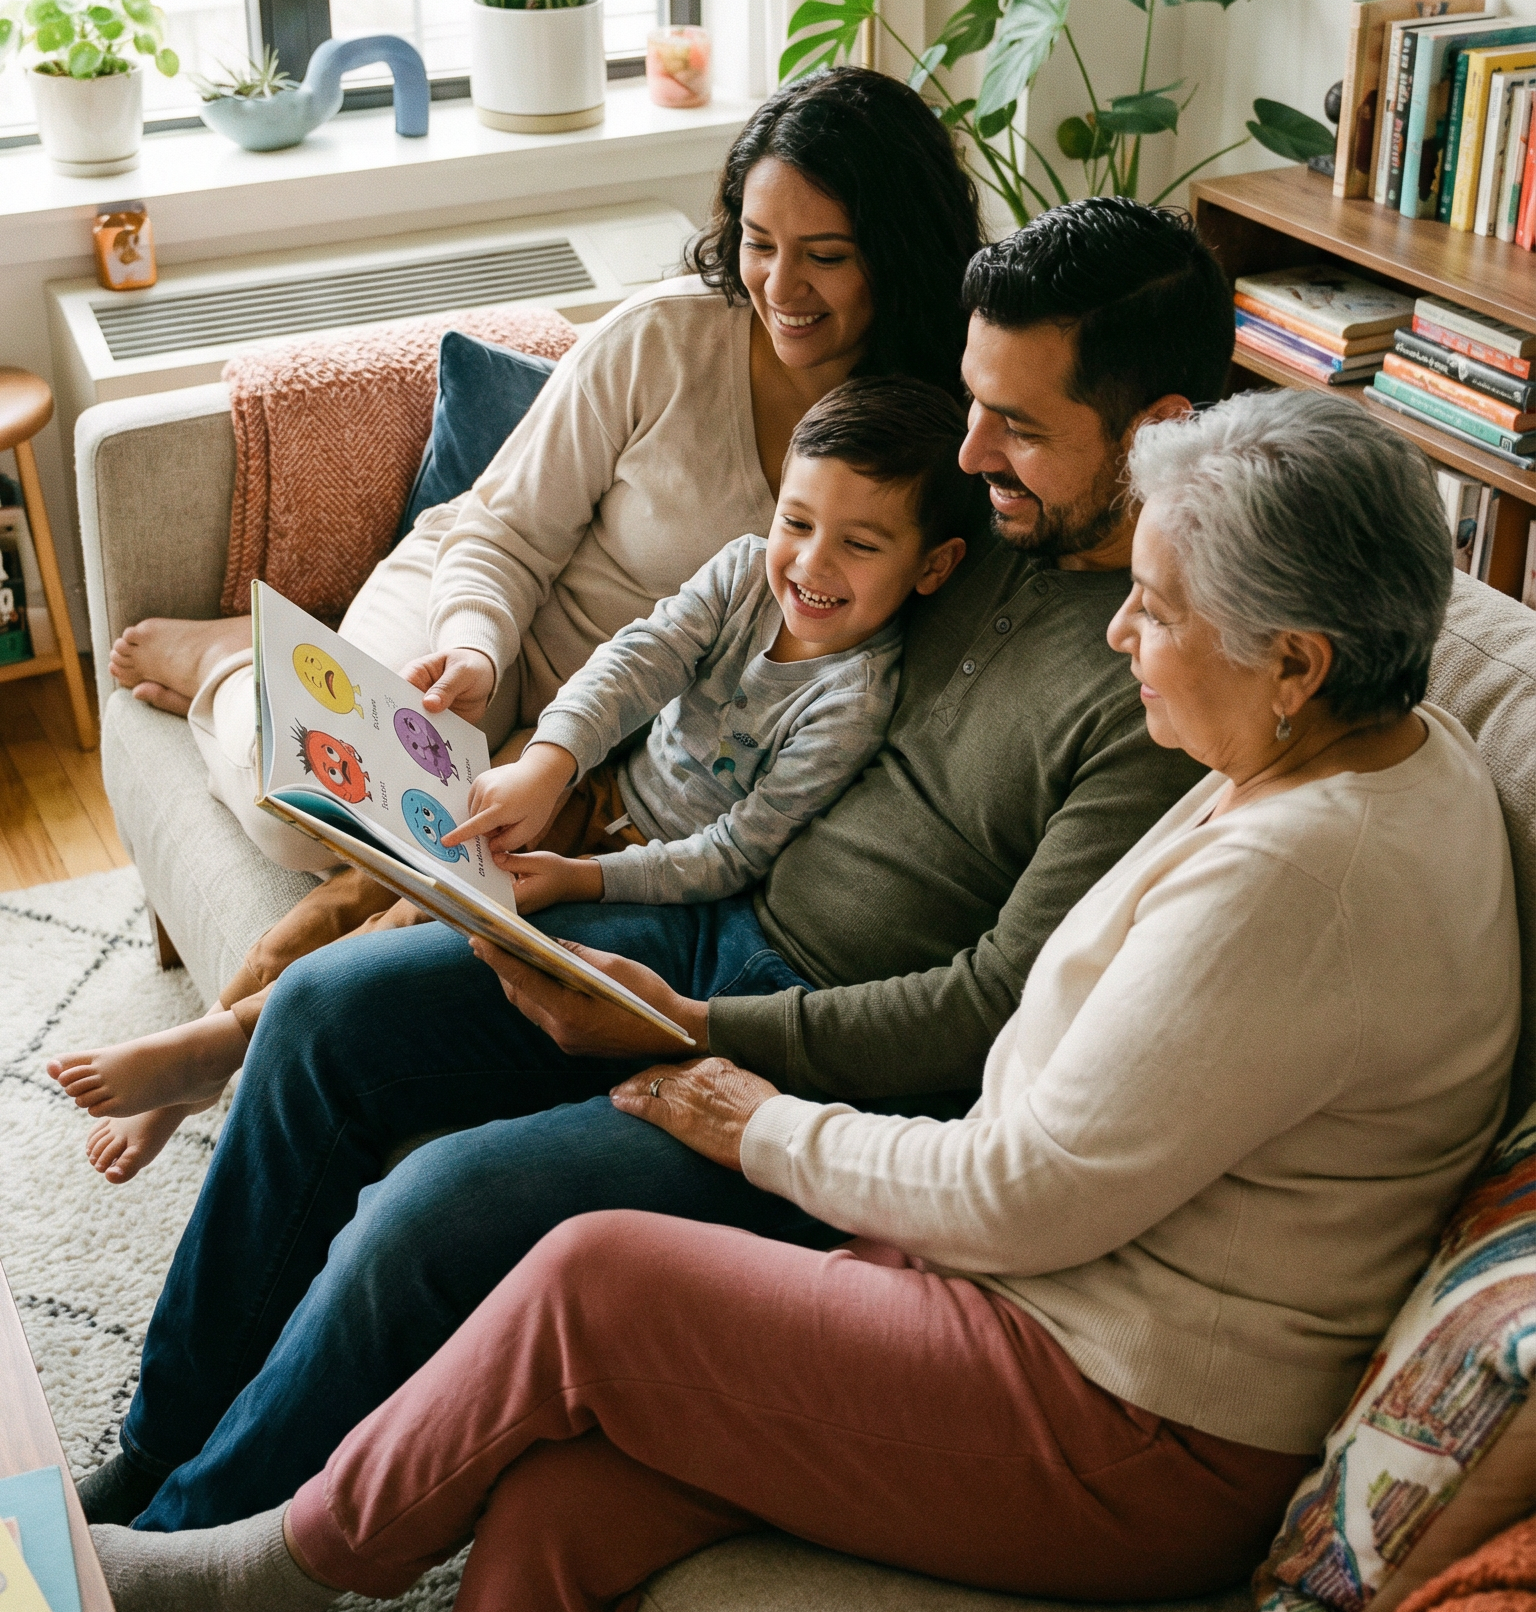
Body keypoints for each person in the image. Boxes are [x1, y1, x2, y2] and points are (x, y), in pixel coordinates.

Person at [93, 386, 1520, 1612]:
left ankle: (275, 1573)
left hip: (1130, 1420)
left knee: (592, 1277)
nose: (1118, 632)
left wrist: (752, 1113)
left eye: (1156, 612)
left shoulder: (1312, 878)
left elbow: (1022, 1190)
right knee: (567, 1500)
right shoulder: (1326, 758)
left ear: (1295, 661)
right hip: (1049, 1315)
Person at [80, 198, 1233, 1536]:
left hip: (816, 1068)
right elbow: (742, 597)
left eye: (1017, 426)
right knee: (323, 1017)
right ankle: (155, 1448)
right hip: (699, 922)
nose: (971, 450)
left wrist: (695, 1032)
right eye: (975, 407)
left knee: (438, 1206)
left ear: (1154, 436)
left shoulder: (1165, 678)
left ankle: (190, 1544)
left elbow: (986, 1010)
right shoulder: (972, 522)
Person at [83, 67, 985, 1179]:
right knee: (306, 821)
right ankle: (232, 660)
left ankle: (216, 1039)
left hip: (615, 735)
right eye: (758, 241)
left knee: (423, 856)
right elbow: (504, 530)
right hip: (490, 613)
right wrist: (471, 650)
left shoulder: (923, 436)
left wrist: (564, 774)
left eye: (826, 255)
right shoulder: (665, 337)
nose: (780, 285)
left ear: (896, 248)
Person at [53, 380, 972, 1120]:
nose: (810, 565)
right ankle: (205, 1056)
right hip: (583, 778)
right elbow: (637, 661)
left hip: (628, 866)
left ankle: (221, 1046)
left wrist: (582, 881)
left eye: (860, 544)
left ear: (934, 567)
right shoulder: (743, 570)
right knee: (356, 883)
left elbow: (736, 853)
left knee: (416, 919)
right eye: (798, 523)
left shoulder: (855, 699)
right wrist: (551, 759)